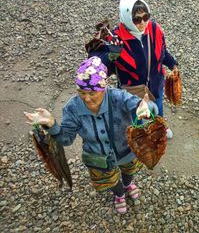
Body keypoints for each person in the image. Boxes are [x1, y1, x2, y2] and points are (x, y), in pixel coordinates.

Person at [24, 56, 158, 214]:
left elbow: (140, 107)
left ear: (104, 88)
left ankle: (128, 184)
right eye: (81, 92)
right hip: (98, 159)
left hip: (127, 151)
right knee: (110, 180)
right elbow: (66, 139)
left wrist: (146, 108)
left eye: (93, 92)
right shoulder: (72, 108)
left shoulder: (118, 97)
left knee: (129, 171)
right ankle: (120, 194)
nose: (87, 98)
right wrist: (52, 124)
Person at [110, 0, 178, 139]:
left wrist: (172, 63)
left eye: (146, 16)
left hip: (155, 83)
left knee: (158, 109)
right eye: (137, 19)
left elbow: (162, 51)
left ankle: (160, 129)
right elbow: (106, 65)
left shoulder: (155, 29)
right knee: (137, 114)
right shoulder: (116, 39)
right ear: (126, 18)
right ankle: (140, 134)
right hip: (133, 89)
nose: (143, 23)